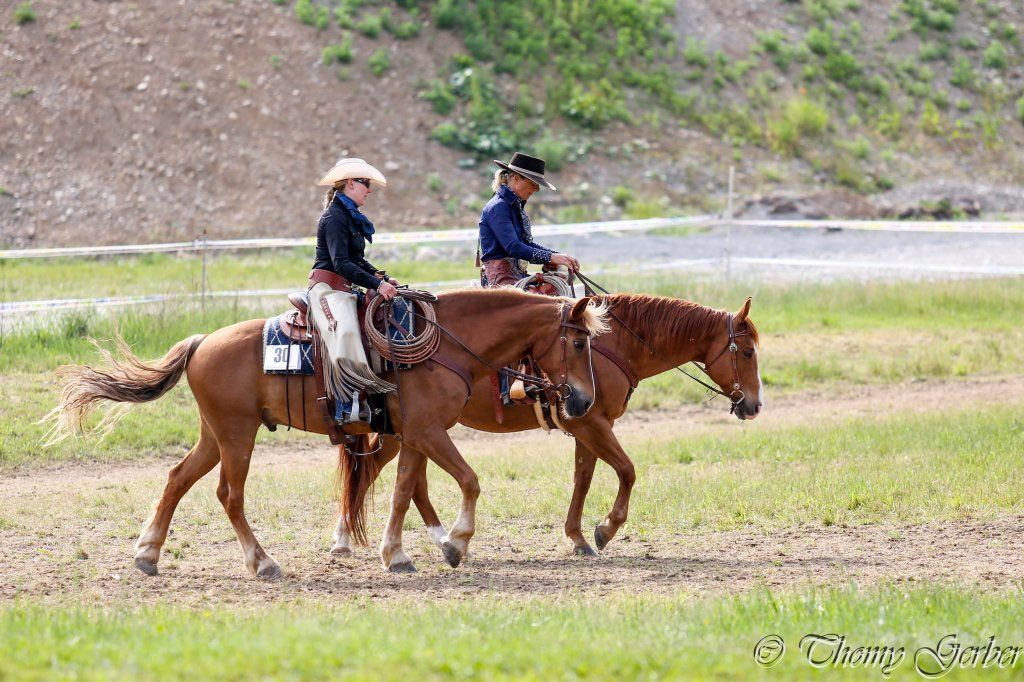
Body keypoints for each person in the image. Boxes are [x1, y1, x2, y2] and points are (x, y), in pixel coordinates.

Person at [308, 157, 408, 424]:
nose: (369, 189)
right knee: (346, 330)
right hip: (327, 289)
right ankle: (345, 402)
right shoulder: (334, 217)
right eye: (365, 183)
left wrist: (381, 277)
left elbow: (356, 261)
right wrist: (376, 285)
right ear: (350, 183)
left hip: (344, 287)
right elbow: (340, 262)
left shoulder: (349, 216)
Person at [478, 152, 581, 288]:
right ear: (515, 178)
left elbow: (525, 243)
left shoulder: (512, 206)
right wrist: (550, 257)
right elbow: (514, 247)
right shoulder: (498, 207)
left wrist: (556, 255)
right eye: (533, 183)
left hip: (515, 276)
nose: (536, 189)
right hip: (501, 281)